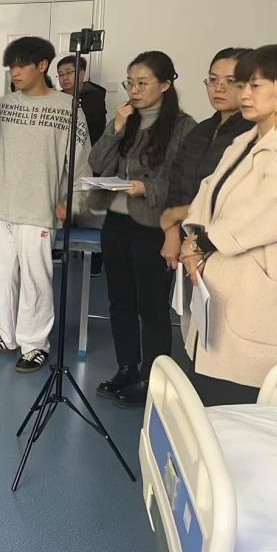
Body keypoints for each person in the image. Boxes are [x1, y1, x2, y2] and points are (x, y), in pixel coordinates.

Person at [180, 44, 277, 405]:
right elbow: (208, 191)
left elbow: (268, 213)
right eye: (242, 85)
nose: (244, 94)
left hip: (262, 291)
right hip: (219, 282)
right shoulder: (246, 140)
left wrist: (202, 243)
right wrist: (193, 237)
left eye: (256, 86)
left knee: (243, 401)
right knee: (206, 395)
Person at [0, 37, 91, 373]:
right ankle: (3, 334)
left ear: (42, 65)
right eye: (11, 66)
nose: (15, 72)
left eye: (21, 65)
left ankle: (34, 344)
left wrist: (72, 201)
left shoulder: (68, 108)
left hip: (39, 208)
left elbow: (80, 163)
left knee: (36, 281)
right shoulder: (2, 105)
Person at [90, 52, 196, 408]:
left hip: (154, 224)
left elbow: (186, 182)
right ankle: (126, 368)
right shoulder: (125, 119)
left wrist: (147, 188)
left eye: (142, 83)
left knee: (151, 306)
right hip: (117, 221)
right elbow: (97, 161)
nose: (134, 91)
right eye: (130, 83)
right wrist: (116, 129)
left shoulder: (183, 127)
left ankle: (154, 377)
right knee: (120, 300)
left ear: (165, 85)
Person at [160, 48, 253, 270]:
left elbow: (245, 205)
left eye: (231, 81)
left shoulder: (253, 133)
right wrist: (172, 232)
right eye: (213, 80)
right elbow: (175, 181)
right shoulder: (201, 130)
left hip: (229, 247)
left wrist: (199, 243)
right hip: (187, 240)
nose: (219, 88)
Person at [56, 55, 107, 144]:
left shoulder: (94, 97)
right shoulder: (57, 97)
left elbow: (95, 130)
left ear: (82, 74)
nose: (64, 78)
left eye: (68, 73)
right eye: (61, 74)